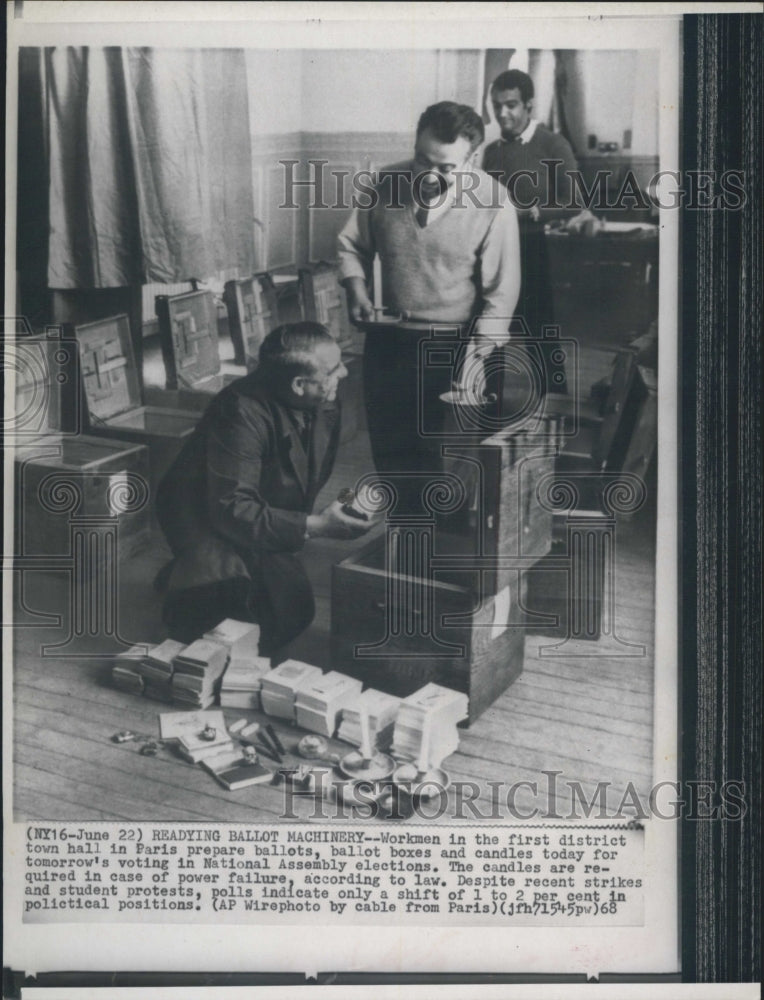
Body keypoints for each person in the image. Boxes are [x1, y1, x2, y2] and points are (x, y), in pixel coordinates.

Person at [337, 101, 520, 507]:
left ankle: (439, 553)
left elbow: (501, 294)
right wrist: (357, 289)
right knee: (391, 454)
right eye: (423, 160)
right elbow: (351, 244)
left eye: (447, 168)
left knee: (445, 467)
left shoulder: (494, 200)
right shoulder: (383, 184)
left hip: (457, 349)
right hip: (389, 344)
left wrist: (477, 361)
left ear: (471, 158)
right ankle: (404, 542)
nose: (430, 176)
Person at [155, 322, 373, 655]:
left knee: (294, 610)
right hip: (205, 517)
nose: (343, 372)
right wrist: (316, 526)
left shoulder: (323, 396)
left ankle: (195, 576)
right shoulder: (239, 411)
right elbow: (232, 509)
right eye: (333, 369)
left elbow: (308, 474)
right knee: (259, 630)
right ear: (299, 384)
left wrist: (340, 506)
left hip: (258, 509)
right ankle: (188, 580)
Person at [482, 69, 579, 392]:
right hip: (495, 251)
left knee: (540, 332)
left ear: (529, 105)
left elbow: (574, 201)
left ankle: (555, 407)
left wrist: (529, 211)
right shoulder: (492, 151)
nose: (502, 113)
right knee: (492, 327)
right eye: (497, 105)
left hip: (533, 250)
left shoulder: (553, 143)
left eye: (511, 104)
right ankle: (488, 402)